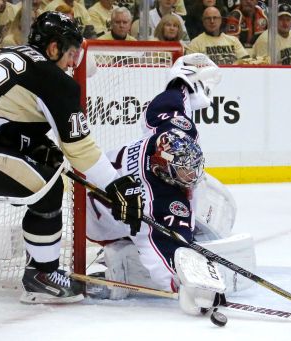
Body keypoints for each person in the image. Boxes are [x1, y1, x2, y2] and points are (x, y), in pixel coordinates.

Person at [0, 11, 140, 305]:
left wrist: (29, 142)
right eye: (71, 53)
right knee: (47, 187)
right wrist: (115, 184)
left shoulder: (9, 54)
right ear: (54, 47)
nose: (73, 63)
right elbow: (80, 150)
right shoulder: (53, 78)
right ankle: (42, 275)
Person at [85, 53, 233, 315]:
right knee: (175, 232)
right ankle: (119, 260)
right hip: (96, 223)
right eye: (184, 171)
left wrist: (183, 84)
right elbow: (161, 254)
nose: (191, 174)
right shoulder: (160, 202)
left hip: (95, 187)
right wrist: (186, 286)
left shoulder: (163, 137)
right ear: (165, 171)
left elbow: (169, 107)